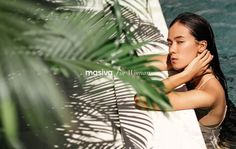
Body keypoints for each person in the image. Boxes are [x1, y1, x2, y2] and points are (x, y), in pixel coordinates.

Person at [134, 12, 236, 149]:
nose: (172, 50)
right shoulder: (185, 62)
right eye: (170, 43)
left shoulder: (209, 92)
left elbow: (142, 98)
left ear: (201, 46)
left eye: (180, 42)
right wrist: (173, 65)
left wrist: (185, 76)